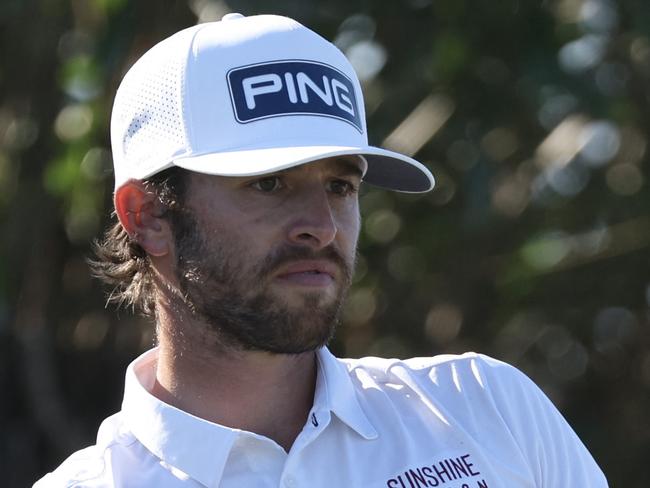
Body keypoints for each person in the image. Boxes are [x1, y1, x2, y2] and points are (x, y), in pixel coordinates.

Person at [35, 13, 607, 488]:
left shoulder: (488, 411)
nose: (322, 228)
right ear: (148, 215)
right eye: (268, 183)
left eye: (340, 186)